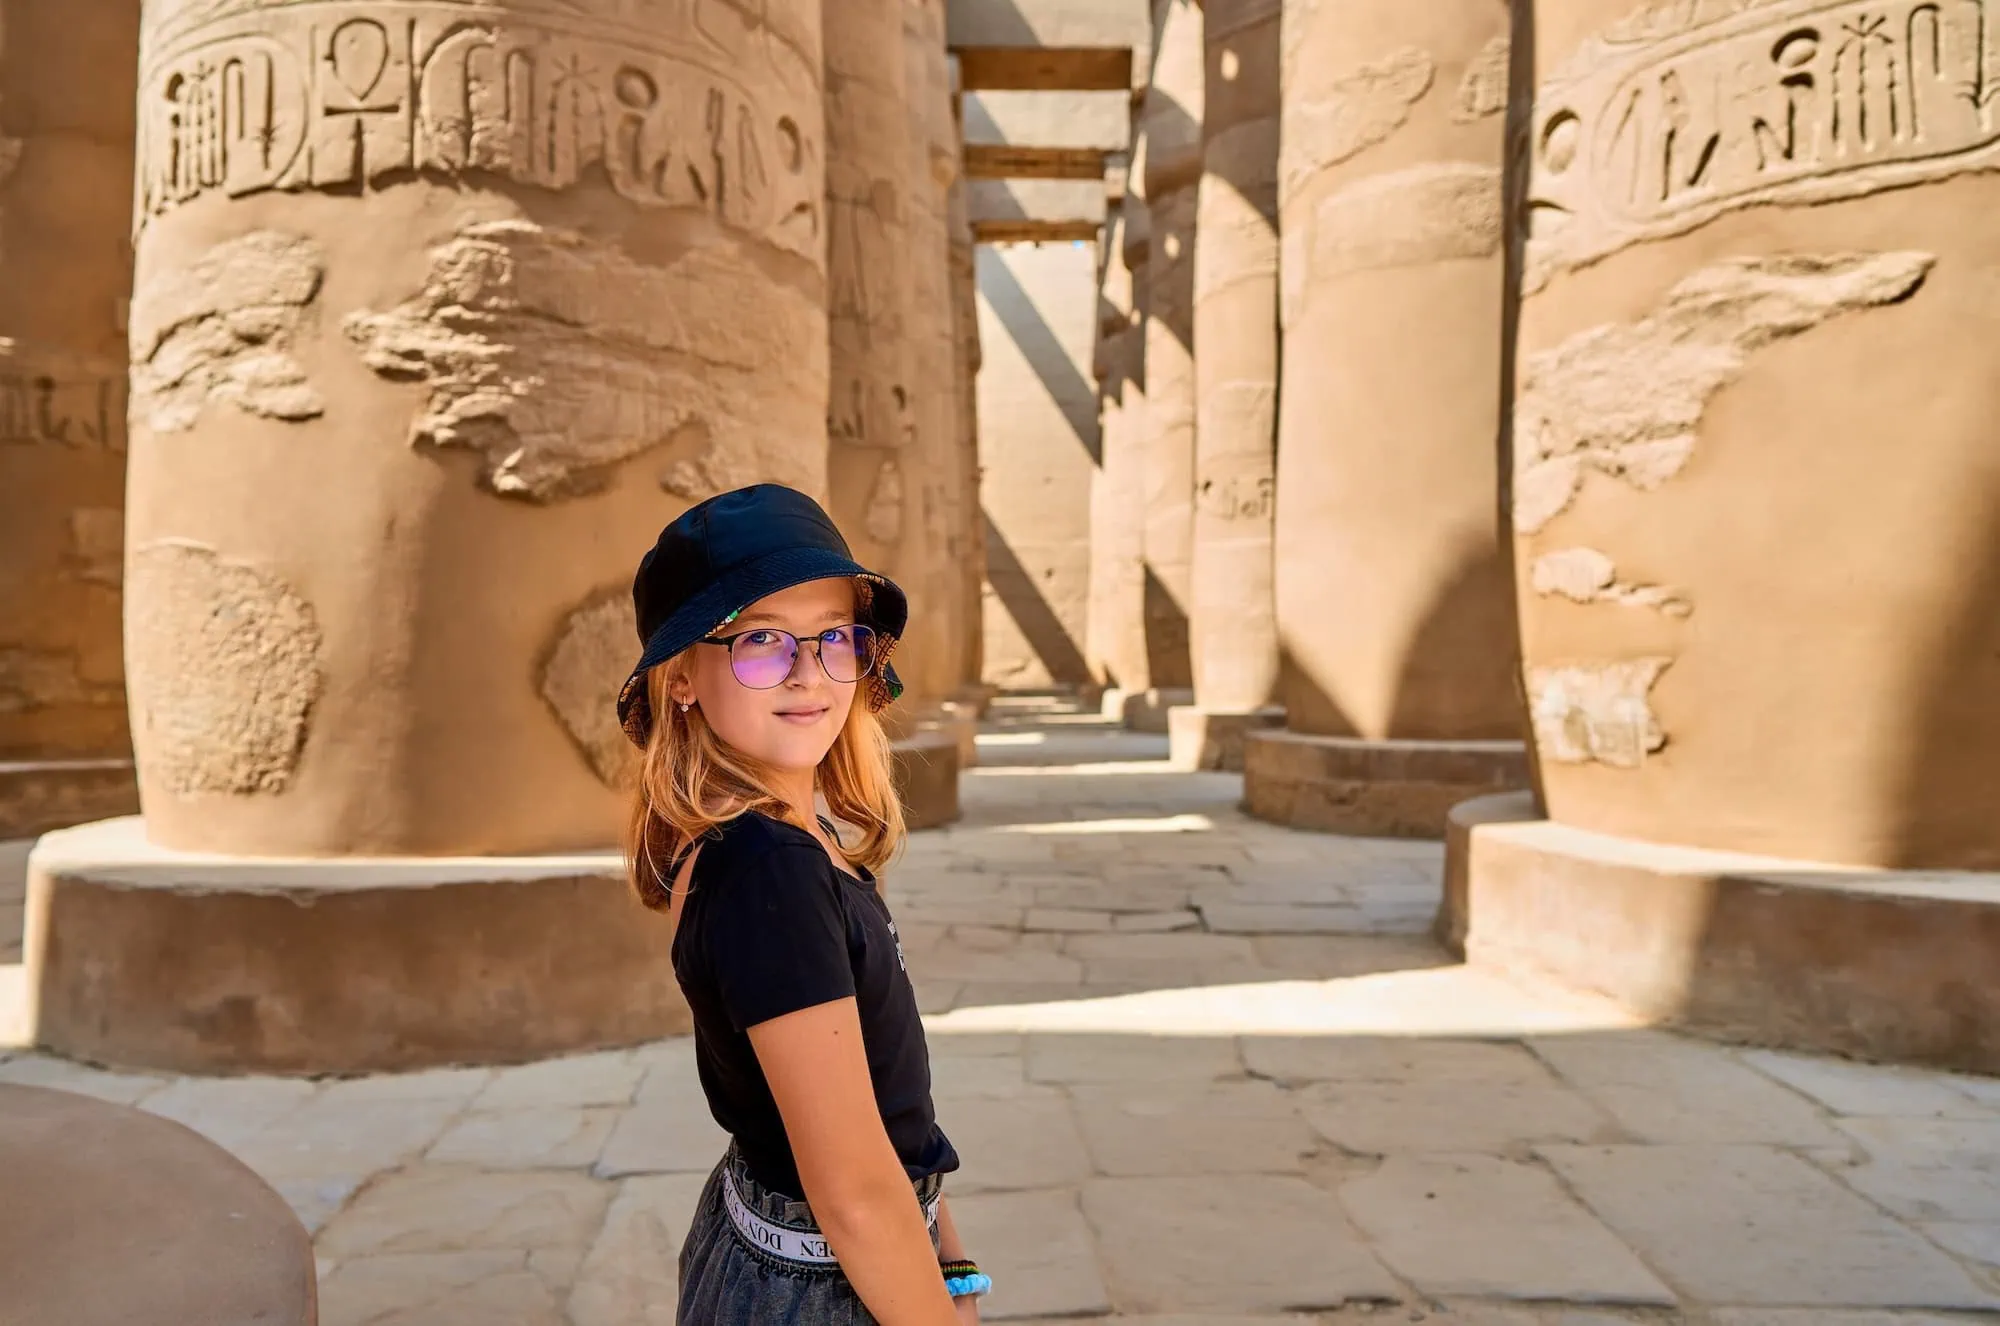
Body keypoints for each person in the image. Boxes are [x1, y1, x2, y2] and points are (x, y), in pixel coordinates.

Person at [614, 484, 988, 1325]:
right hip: (823, 1289)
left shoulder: (796, 838)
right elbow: (853, 1191)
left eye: (833, 639)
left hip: (828, 1255)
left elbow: (894, 1120)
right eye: (760, 642)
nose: (807, 673)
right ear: (681, 679)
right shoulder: (767, 870)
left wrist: (954, 1265)